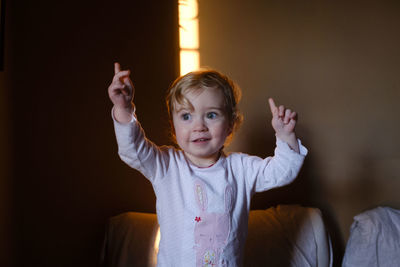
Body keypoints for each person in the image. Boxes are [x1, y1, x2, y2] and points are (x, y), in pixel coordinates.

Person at [108, 62, 308, 267]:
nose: (199, 126)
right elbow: (132, 149)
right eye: (186, 116)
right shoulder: (166, 166)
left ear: (230, 124)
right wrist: (123, 108)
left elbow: (281, 172)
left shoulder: (241, 169)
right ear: (174, 128)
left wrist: (285, 137)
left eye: (211, 115)